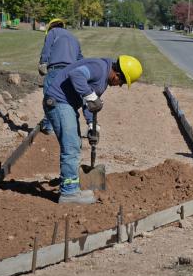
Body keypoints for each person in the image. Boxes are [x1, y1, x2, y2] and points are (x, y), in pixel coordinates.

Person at [44, 55, 143, 204]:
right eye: (122, 82)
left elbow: (89, 103)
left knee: (75, 145)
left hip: (66, 104)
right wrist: (90, 96)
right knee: (71, 148)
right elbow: (76, 75)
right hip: (58, 102)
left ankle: (72, 186)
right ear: (117, 75)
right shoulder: (99, 68)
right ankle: (69, 193)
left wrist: (92, 124)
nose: (119, 85)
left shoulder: (103, 79)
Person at [38, 18, 91, 134]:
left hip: (55, 70)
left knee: (49, 97)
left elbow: (46, 49)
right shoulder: (74, 38)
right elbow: (80, 59)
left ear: (51, 27)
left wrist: (43, 62)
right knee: (67, 99)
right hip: (71, 73)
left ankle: (48, 126)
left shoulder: (52, 32)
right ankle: (70, 128)